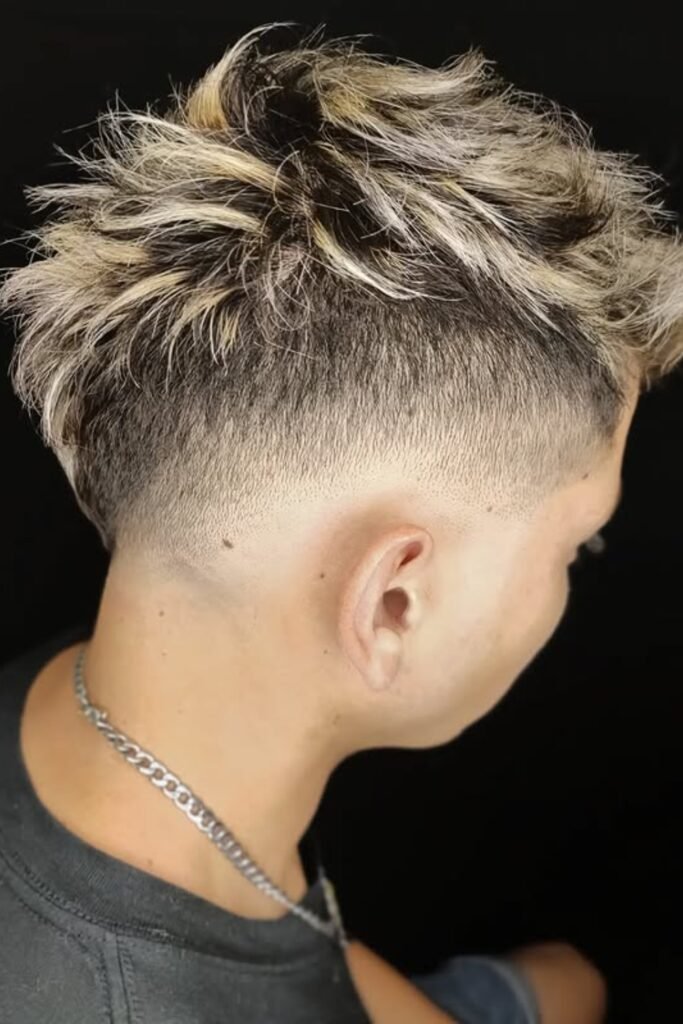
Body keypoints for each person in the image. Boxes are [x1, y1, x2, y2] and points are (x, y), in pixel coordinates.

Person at [0, 20, 681, 1024]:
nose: (574, 574)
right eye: (577, 543)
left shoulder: (105, 707)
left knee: (562, 978)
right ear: (393, 601)